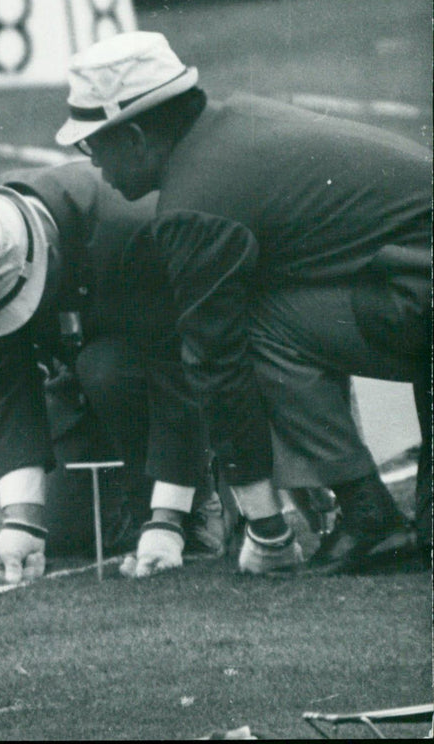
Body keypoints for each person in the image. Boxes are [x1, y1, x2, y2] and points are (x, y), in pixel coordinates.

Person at [54, 30, 431, 576]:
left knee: (251, 327)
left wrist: (267, 527)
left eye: (94, 145)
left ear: (134, 138)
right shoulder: (235, 124)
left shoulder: (196, 203)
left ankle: (367, 515)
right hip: (413, 283)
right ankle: (368, 512)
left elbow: (216, 363)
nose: (96, 167)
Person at [0, 161, 385, 583]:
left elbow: (178, 376)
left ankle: (208, 495)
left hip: (169, 368)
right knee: (63, 532)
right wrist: (21, 520)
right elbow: (2, 386)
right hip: (89, 375)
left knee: (107, 367)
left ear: (44, 255)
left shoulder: (134, 229)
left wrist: (167, 519)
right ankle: (137, 492)